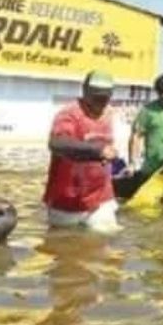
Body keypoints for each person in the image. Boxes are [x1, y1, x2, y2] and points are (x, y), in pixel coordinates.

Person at [45, 70, 122, 232]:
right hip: (67, 200)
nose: (101, 102)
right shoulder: (69, 114)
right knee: (65, 249)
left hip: (101, 198)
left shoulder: (108, 113)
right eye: (96, 97)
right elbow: (56, 143)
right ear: (85, 91)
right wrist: (97, 150)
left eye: (105, 97)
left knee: (106, 245)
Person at [122, 73, 163, 198]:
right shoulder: (148, 110)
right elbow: (136, 137)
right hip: (152, 171)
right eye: (160, 93)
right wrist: (132, 163)